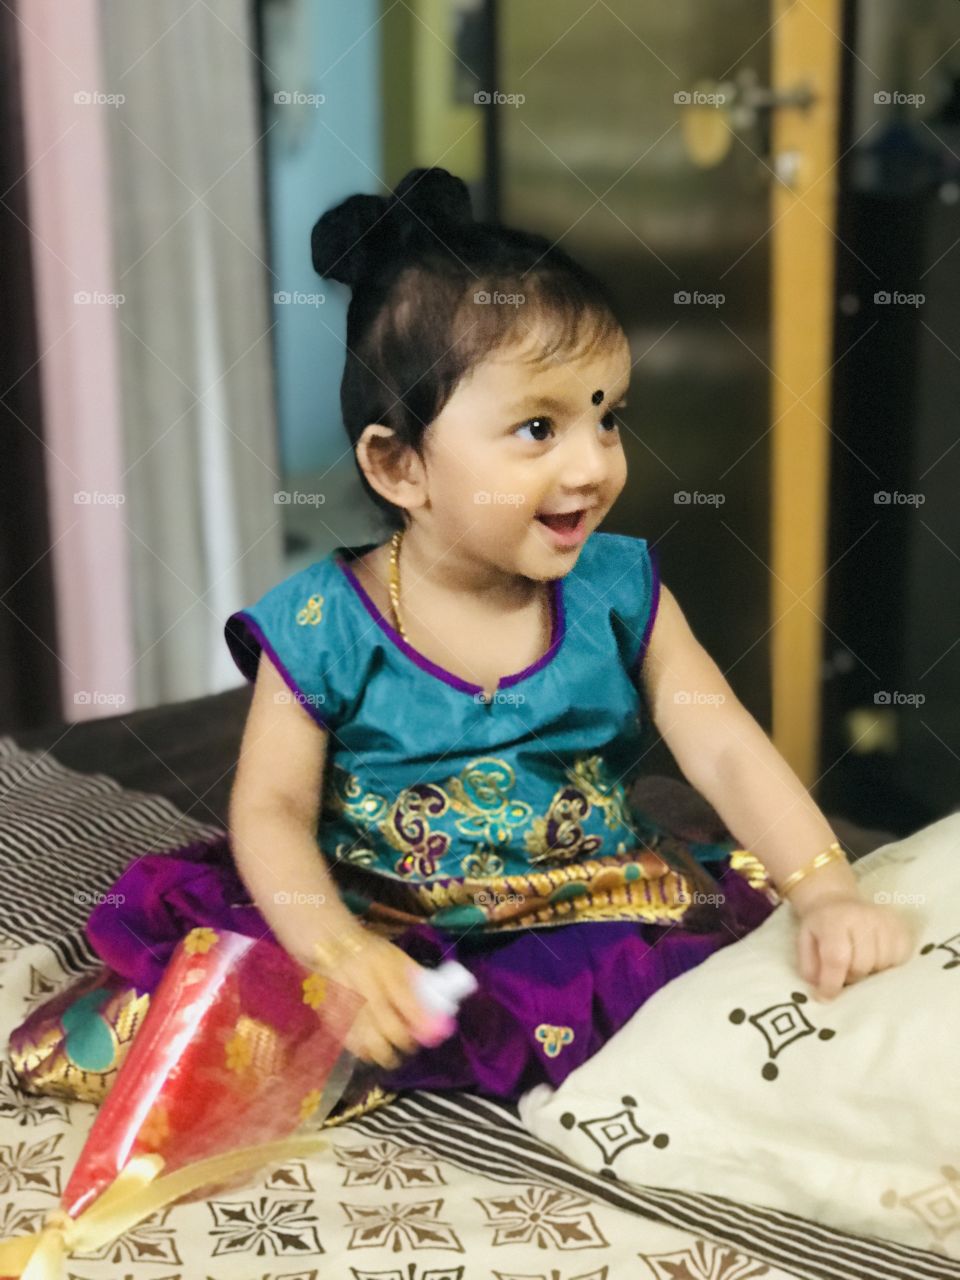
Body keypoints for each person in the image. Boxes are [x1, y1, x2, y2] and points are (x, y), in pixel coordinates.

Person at [9, 166, 911, 1118]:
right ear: (399, 465)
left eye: (608, 417)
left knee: (729, 1008)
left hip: (588, 899)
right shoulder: (321, 621)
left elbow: (722, 746)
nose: (593, 463)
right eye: (538, 427)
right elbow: (269, 809)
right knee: (204, 1019)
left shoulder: (619, 587)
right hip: (373, 907)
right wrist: (337, 952)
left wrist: (826, 888)